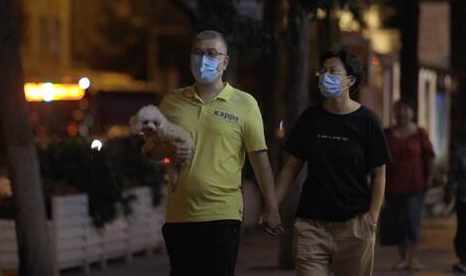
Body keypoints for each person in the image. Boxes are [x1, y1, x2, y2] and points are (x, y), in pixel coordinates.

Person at [144, 30, 283, 276]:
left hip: (223, 213)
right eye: (198, 52)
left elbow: (259, 159)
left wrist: (271, 206)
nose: (203, 59)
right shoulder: (171, 102)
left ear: (225, 62)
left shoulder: (245, 104)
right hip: (179, 216)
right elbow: (149, 150)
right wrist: (166, 151)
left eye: (211, 53)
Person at [275, 49, 392, 276]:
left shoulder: (367, 121)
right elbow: (291, 167)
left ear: (350, 80)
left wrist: (372, 219)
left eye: (333, 71)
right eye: (323, 71)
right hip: (311, 226)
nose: (325, 75)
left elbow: (380, 173)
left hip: (355, 226)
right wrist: (272, 205)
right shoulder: (310, 119)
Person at [382, 99, 437, 271]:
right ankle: (402, 258)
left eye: (406, 109)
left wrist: (431, 176)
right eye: (398, 109)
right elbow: (380, 158)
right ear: (394, 112)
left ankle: (412, 258)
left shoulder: (420, 133)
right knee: (397, 222)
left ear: (412, 113)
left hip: (415, 184)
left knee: (412, 221)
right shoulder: (387, 133)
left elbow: (429, 156)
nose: (402, 112)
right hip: (392, 184)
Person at [446, 129, 466, 273]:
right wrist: (449, 192)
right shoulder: (460, 153)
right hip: (463, 198)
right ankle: (463, 259)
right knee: (463, 229)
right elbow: (452, 175)